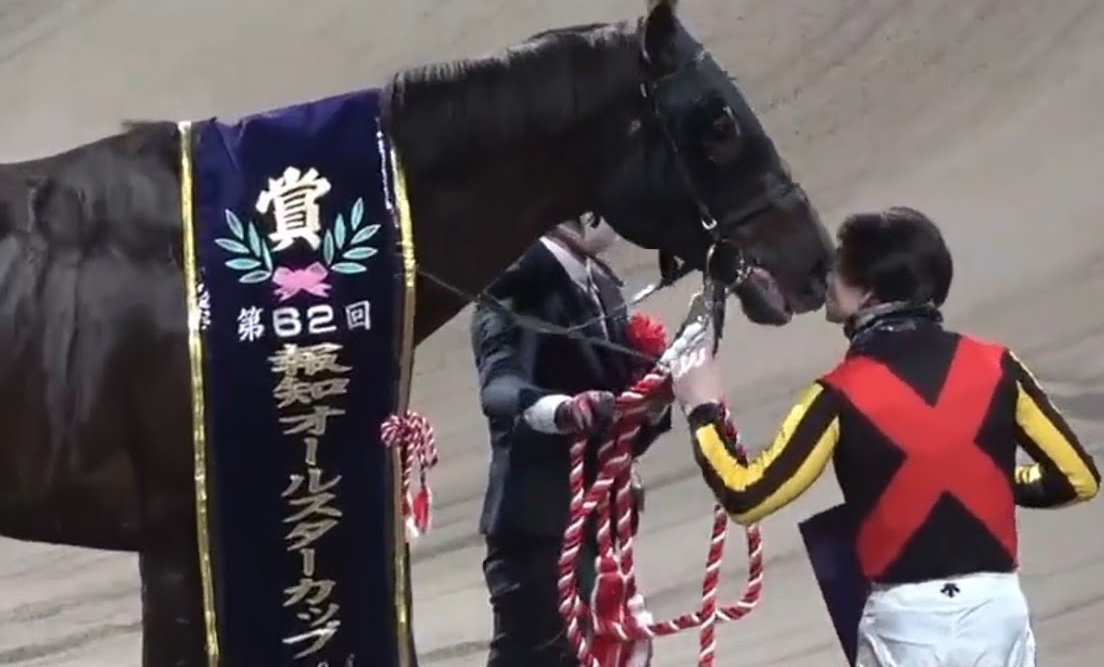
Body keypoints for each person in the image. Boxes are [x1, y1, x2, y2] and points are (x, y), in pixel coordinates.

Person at [669, 206, 1100, 667]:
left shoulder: (839, 393)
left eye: (839, 267)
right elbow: (1077, 478)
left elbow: (747, 495)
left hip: (907, 624)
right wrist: (983, 477)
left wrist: (703, 409)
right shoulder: (998, 365)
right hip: (998, 612)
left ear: (868, 292)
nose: (828, 277)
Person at [469, 213, 672, 667]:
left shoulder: (602, 285)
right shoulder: (515, 282)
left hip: (602, 521)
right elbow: (499, 389)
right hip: (540, 525)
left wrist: (652, 403)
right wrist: (562, 410)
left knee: (614, 649)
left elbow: (617, 415)